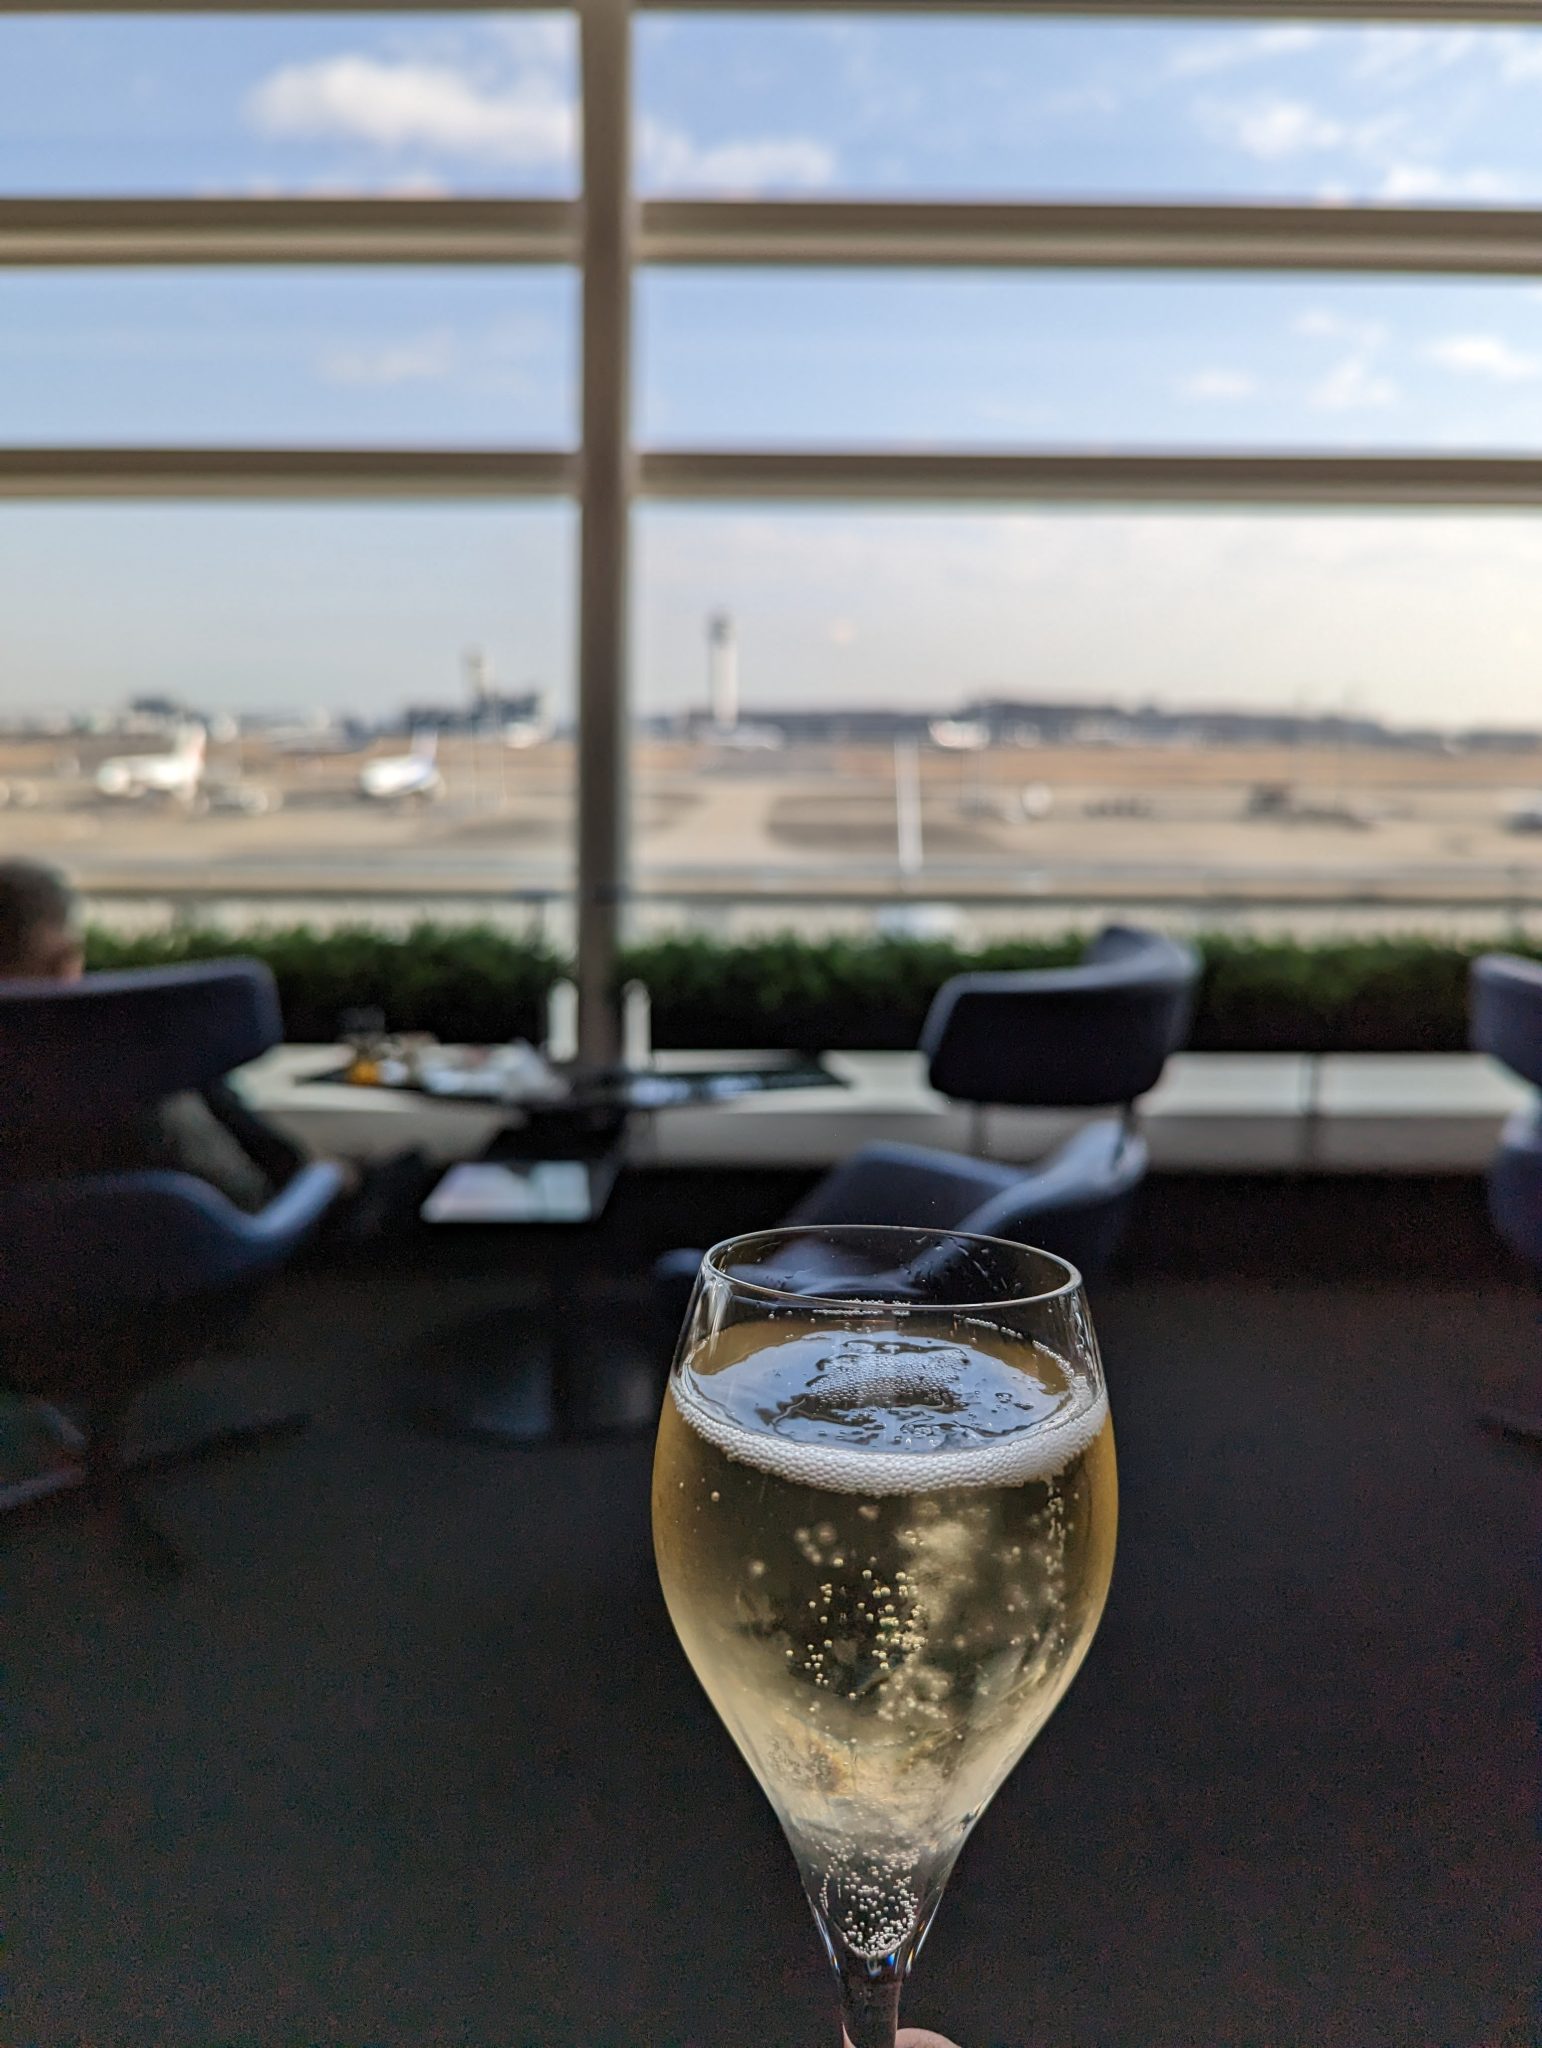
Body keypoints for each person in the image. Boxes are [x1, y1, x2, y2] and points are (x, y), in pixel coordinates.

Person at [0, 857, 315, 1214]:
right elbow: (258, 1192)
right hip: (220, 1241)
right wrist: (326, 1181)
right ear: (64, 959)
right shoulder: (143, 1057)